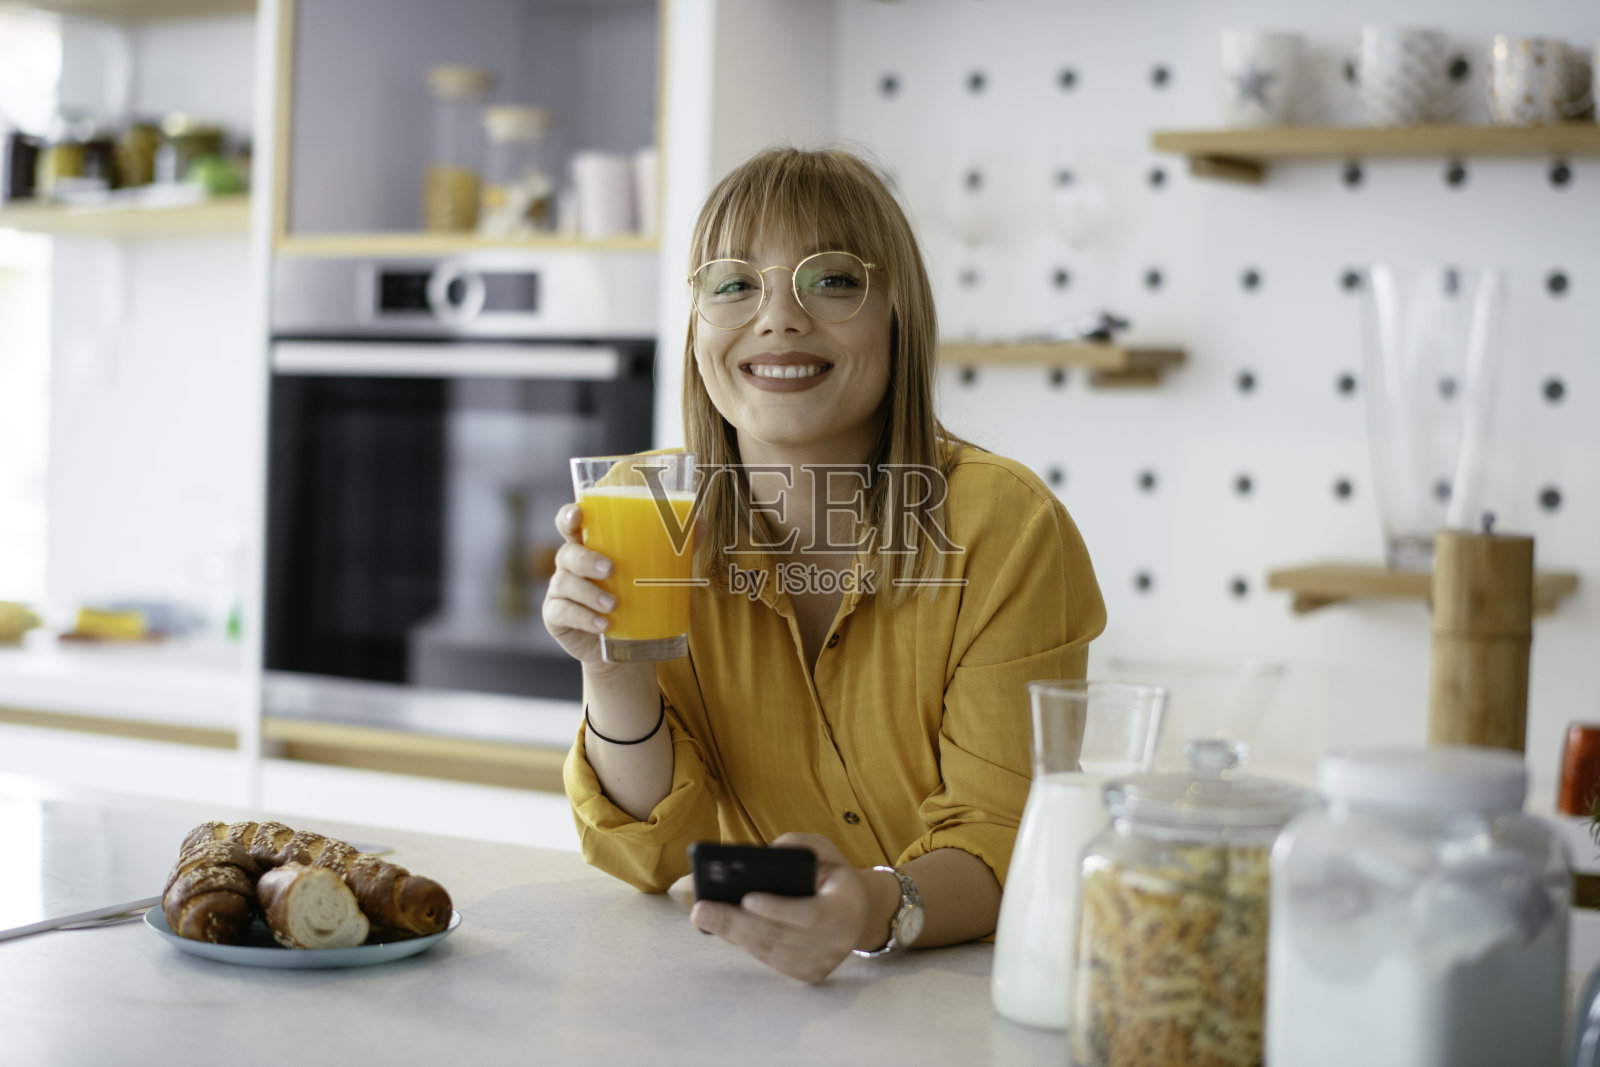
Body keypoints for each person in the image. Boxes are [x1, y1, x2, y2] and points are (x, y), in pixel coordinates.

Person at [541, 145, 1105, 983]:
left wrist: (875, 906)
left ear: (896, 315)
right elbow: (654, 855)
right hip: (734, 994)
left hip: (967, 1001)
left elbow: (1004, 833)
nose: (778, 318)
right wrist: (611, 668)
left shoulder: (1005, 526)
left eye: (831, 280)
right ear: (698, 329)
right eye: (733, 285)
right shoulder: (641, 506)